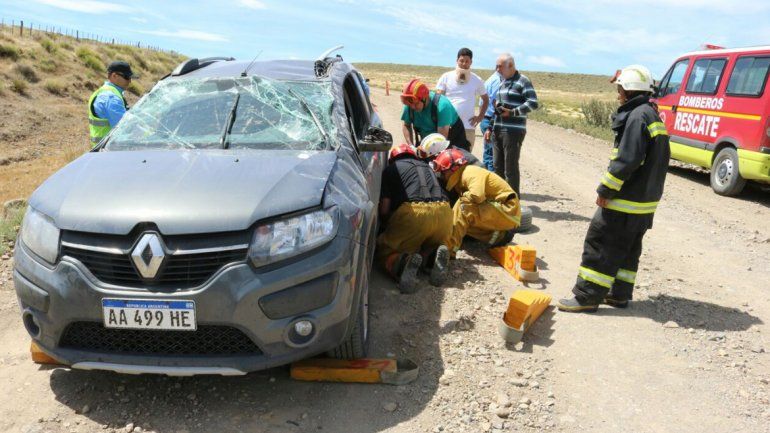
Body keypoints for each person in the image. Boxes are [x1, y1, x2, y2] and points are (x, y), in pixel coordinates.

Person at [557, 65, 670, 312]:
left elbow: (628, 160)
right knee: (627, 249)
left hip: (625, 201)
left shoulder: (637, 117)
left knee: (601, 244)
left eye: (620, 88)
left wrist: (605, 190)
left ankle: (586, 297)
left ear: (628, 90)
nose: (618, 93)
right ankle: (618, 295)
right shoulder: (651, 114)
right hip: (644, 203)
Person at [377, 144, 453, 293]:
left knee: (385, 250)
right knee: (427, 243)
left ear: (393, 159)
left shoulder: (391, 170)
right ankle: (432, 258)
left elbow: (384, 209)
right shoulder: (427, 167)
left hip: (415, 214)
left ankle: (402, 264)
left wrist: (388, 226)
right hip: (445, 213)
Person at [431, 148, 521, 258]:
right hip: (500, 211)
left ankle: (448, 251)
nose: (442, 175)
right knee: (459, 220)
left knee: (463, 205)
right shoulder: (460, 178)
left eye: (443, 172)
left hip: (508, 210)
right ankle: (500, 237)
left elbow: (477, 196)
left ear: (453, 169)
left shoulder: (470, 172)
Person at [483, 53, 538, 196]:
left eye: (500, 66)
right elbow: (498, 109)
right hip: (498, 130)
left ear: (511, 66)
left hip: (513, 132)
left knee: (510, 169)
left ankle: (513, 204)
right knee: (497, 168)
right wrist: (489, 127)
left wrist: (512, 112)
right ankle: (500, 200)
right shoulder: (502, 82)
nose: (497, 69)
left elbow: (533, 103)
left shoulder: (523, 81)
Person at [435, 48, 489, 151]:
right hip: (448, 125)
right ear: (457, 60)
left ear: (471, 62)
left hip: (468, 127)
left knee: (466, 158)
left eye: (467, 61)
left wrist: (480, 117)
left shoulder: (476, 80)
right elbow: (438, 99)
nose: (464, 64)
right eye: (461, 60)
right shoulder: (446, 77)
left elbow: (486, 99)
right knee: (444, 155)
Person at [400, 79, 470, 151]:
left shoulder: (442, 106)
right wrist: (411, 146)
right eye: (409, 105)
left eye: (416, 104)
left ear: (425, 98)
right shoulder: (410, 103)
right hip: (429, 142)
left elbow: (441, 142)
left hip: (451, 143)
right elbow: (406, 125)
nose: (412, 107)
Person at [88, 61, 136, 147]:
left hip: (104, 149)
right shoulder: (111, 97)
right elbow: (125, 128)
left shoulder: (105, 91)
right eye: (127, 77)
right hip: (109, 150)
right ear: (114, 76)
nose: (130, 81)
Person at [480, 70, 502, 171]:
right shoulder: (498, 82)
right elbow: (497, 104)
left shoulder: (489, 80)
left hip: (486, 118)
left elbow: (482, 102)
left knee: (488, 153)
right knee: (493, 155)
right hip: (492, 119)